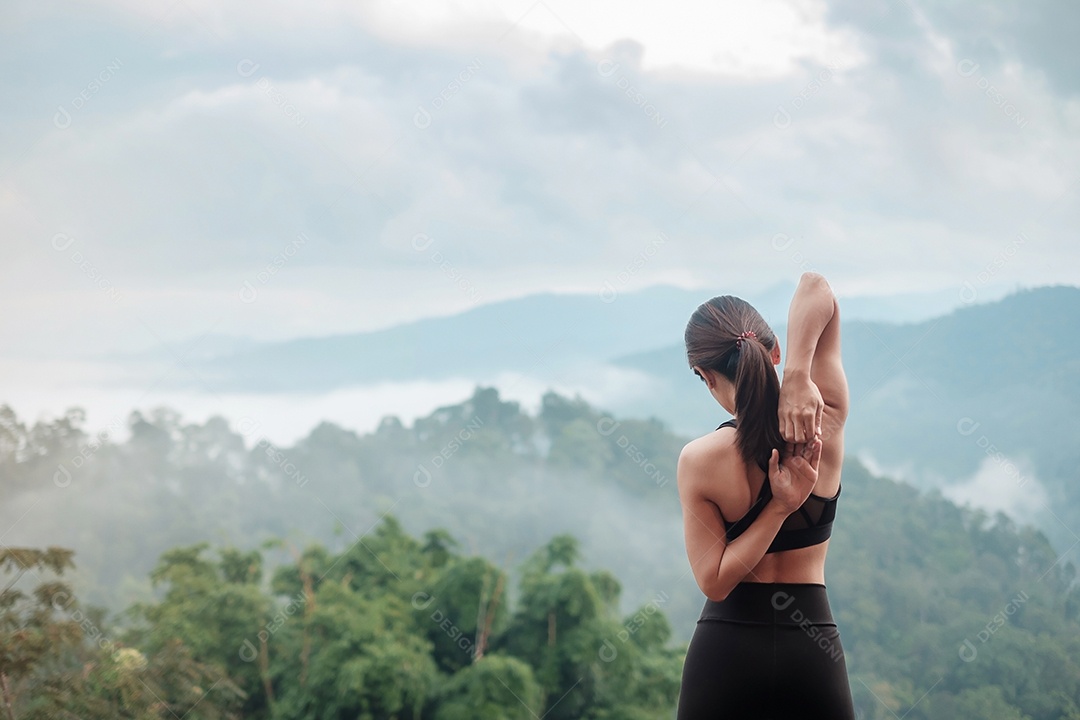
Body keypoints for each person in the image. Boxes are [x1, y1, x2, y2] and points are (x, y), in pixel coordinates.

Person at [675, 271, 855, 719]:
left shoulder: (699, 460)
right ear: (773, 351)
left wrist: (777, 509)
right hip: (811, 650)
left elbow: (715, 582)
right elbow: (817, 286)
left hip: (725, 655)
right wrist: (797, 373)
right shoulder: (824, 420)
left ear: (705, 376)